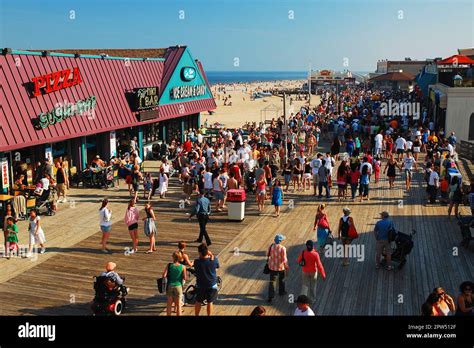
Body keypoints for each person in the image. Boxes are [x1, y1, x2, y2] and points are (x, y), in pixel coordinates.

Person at [194, 243, 220, 316]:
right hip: (211, 285)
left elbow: (198, 263)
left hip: (200, 285)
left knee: (198, 301)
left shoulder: (197, 262)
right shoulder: (214, 260)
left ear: (200, 253)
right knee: (210, 301)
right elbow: (217, 266)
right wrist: (211, 255)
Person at [162, 251, 186, 316]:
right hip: (178, 286)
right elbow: (184, 278)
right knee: (178, 305)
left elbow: (164, 275)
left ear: (173, 257)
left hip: (170, 285)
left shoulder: (169, 265)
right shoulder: (183, 266)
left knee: (169, 304)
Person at [267, 234, 289, 303]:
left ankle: (270, 296)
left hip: (272, 266)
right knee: (282, 280)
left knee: (272, 281)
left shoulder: (271, 246)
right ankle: (281, 292)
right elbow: (284, 259)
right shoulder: (283, 248)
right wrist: (286, 266)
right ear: (280, 241)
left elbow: (268, 254)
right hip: (280, 267)